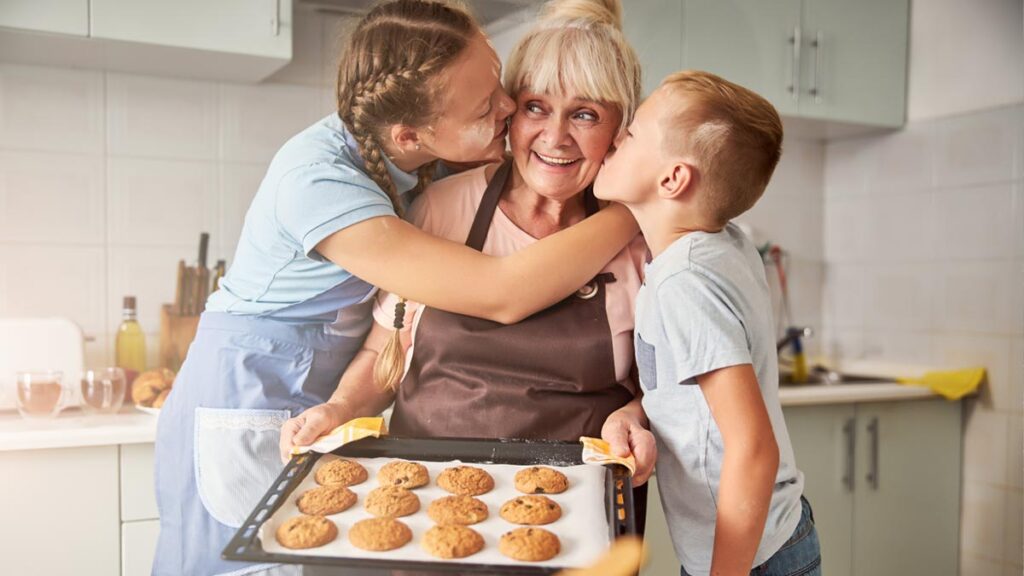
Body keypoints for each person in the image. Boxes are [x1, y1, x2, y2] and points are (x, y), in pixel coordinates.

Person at [152, 1, 639, 574]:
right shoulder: (323, 181)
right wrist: (636, 208)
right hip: (253, 393)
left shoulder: (421, 164)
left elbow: (663, 389)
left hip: (563, 504)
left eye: (584, 114)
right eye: (500, 105)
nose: (509, 112)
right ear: (412, 134)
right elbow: (498, 292)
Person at [281, 0, 656, 488]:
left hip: (577, 499)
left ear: (620, 128)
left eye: (585, 114)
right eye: (535, 107)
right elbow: (384, 353)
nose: (556, 137)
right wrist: (339, 407)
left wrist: (634, 415)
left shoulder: (641, 246)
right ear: (511, 112)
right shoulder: (442, 206)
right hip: (426, 491)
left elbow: (662, 388)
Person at [594, 70, 822, 576]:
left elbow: (753, 449)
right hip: (760, 542)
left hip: (749, 558)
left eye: (630, 134)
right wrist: (636, 412)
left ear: (672, 180)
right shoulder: (720, 246)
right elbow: (695, 398)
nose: (614, 139)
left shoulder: (685, 282)